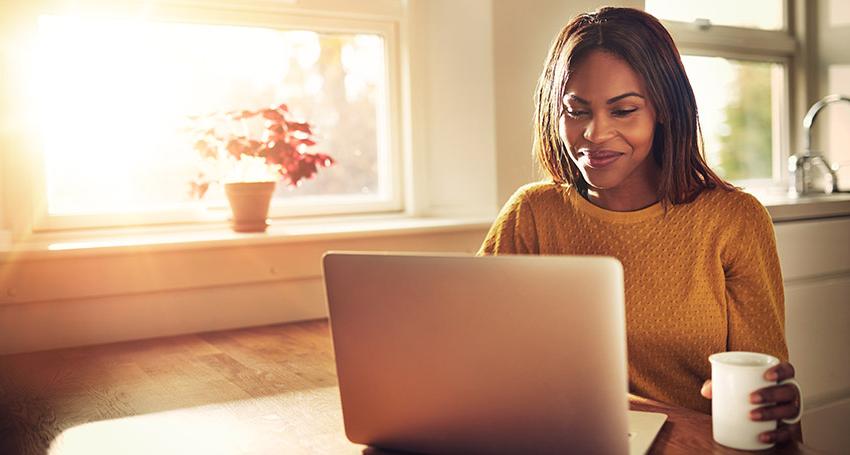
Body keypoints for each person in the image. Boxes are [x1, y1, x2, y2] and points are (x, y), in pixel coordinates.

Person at [478, 7, 802, 445]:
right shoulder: (531, 215)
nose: (595, 134)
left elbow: (769, 403)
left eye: (623, 110)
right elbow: (474, 356)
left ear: (664, 109)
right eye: (576, 111)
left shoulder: (733, 220)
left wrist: (776, 407)